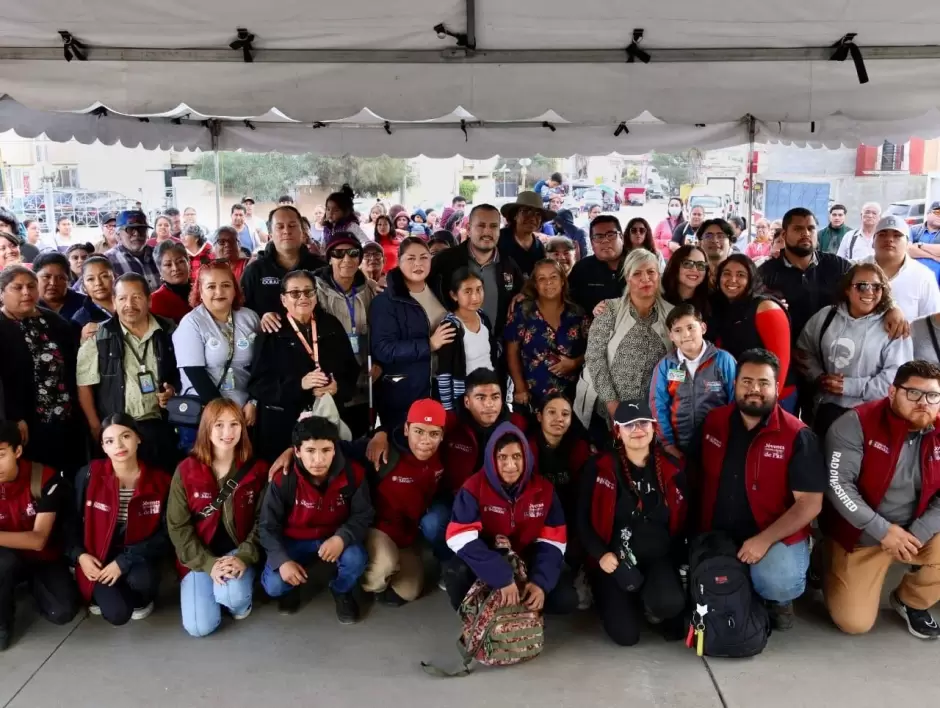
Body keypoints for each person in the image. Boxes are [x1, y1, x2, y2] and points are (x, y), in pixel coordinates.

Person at [695, 348, 826, 630]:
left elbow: (810, 504)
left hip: (773, 535)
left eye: (764, 383)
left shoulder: (797, 435)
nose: (754, 389)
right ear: (735, 384)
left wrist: (764, 540)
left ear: (777, 388)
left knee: (777, 581)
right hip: (719, 531)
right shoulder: (714, 422)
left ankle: (777, 599)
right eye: (747, 381)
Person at [822, 360, 940, 639]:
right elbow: (839, 485)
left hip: (915, 531)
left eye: (933, 396)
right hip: (862, 534)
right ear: (891, 392)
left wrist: (918, 533)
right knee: (854, 623)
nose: (923, 402)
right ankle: (825, 557)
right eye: (913, 393)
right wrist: (883, 530)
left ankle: (910, 600)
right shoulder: (855, 424)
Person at [577, 400, 687, 646]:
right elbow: (581, 519)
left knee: (672, 614)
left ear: (653, 428)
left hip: (658, 556)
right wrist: (601, 555)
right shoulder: (599, 467)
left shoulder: (672, 467)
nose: (637, 429)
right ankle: (609, 591)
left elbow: (684, 520)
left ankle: (648, 597)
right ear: (618, 431)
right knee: (626, 636)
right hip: (614, 559)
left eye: (643, 423)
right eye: (629, 425)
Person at [443, 421, 577, 614]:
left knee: (566, 599)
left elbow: (553, 541)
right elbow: (459, 536)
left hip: (527, 559)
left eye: (517, 456)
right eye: (502, 457)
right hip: (489, 559)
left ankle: (524, 612)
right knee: (456, 572)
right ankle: (475, 617)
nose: (511, 465)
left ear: (527, 458)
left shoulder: (544, 490)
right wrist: (501, 576)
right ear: (491, 459)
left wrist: (539, 582)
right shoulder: (473, 488)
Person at [167, 399, 268, 637]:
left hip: (238, 552)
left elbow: (264, 521)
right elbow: (178, 526)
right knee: (199, 628)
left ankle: (239, 599)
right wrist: (208, 564)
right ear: (206, 428)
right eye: (219, 425)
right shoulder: (186, 470)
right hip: (201, 556)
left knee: (232, 596)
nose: (227, 432)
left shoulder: (257, 469)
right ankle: (215, 590)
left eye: (235, 424)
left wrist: (244, 556)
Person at [259, 416, 372, 621]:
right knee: (274, 585)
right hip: (294, 540)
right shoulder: (283, 479)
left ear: (335, 449)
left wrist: (342, 538)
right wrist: (282, 560)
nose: (318, 460)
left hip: (334, 536)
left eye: (326, 450)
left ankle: (341, 589)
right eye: (310, 451)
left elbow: (363, 514)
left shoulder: (353, 474)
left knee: (356, 559)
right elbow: (267, 526)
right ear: (297, 451)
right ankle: (290, 587)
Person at [69, 414, 170, 625]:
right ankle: (102, 591)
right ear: (104, 447)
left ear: (138, 438)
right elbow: (70, 521)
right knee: (118, 615)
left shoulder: (161, 481)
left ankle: (137, 595)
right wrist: (80, 556)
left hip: (137, 553)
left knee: (143, 581)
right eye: (110, 441)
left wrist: (124, 561)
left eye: (126, 436)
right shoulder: (89, 474)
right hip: (97, 555)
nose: (119, 445)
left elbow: (166, 533)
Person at [247, 270, 357, 462]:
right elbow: (258, 385)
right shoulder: (272, 331)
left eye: (308, 292)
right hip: (282, 428)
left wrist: (337, 387)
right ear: (283, 299)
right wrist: (300, 385)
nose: (303, 297)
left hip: (325, 422)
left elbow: (351, 371)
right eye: (295, 293)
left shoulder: (331, 325)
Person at [76, 273, 181, 472]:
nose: (129, 304)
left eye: (136, 297)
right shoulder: (98, 337)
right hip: (118, 429)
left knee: (161, 484)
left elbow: (181, 373)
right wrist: (96, 427)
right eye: (122, 298)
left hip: (160, 426)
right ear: (114, 302)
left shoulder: (169, 331)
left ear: (149, 300)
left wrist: (172, 391)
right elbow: (84, 385)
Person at [796, 262, 912, 438]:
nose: (869, 292)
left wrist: (850, 386)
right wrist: (819, 377)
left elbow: (897, 377)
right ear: (847, 289)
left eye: (877, 287)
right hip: (826, 410)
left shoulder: (893, 326)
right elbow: (803, 351)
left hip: (872, 413)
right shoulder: (826, 316)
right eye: (861, 286)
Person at [360, 399, 449, 605]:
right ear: (407, 429)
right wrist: (292, 453)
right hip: (378, 528)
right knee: (383, 569)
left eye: (434, 434)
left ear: (442, 435)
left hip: (407, 535)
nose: (425, 440)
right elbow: (335, 450)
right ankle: (358, 581)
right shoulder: (384, 450)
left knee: (408, 591)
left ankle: (391, 566)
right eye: (419, 431)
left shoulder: (441, 457)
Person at [0, 420, 79, 651]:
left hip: (43, 557)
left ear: (18, 451)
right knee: (3, 563)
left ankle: (30, 587)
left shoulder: (44, 478)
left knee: (62, 612)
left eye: (1, 454)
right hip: (6, 557)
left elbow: (38, 540)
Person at [0, 267, 82, 474]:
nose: (26, 292)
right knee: (36, 478)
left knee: (68, 475)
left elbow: (74, 364)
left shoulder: (55, 322)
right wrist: (14, 419)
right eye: (17, 288)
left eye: (31, 286)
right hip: (25, 422)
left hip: (65, 416)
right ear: (2, 293)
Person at [173, 261, 261, 448]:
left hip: (245, 413)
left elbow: (262, 365)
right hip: (206, 413)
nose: (219, 292)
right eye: (211, 286)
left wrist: (253, 401)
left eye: (226, 285)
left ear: (235, 289)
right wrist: (226, 414)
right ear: (200, 290)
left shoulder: (250, 318)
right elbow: (195, 373)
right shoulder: (191, 323)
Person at [583, 249, 673, 431]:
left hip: (656, 413)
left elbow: (680, 363)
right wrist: (612, 404)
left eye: (651, 272)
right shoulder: (609, 310)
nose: (645, 279)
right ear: (627, 278)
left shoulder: (673, 315)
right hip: (609, 411)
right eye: (637, 273)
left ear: (659, 276)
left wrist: (668, 403)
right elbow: (594, 358)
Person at [370, 237, 454, 432]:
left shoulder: (441, 290)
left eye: (424, 257)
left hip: (442, 384)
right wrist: (429, 344)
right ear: (398, 262)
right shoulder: (385, 301)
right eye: (411, 258)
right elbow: (383, 349)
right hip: (405, 389)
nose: (418, 263)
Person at [313, 233, 380, 438]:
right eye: (338, 253)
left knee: (362, 436)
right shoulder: (314, 288)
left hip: (365, 375)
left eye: (352, 253)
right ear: (329, 258)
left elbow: (379, 330)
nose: (346, 259)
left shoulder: (370, 288)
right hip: (332, 380)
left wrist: (379, 361)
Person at [429, 204, 523, 349]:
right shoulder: (445, 261)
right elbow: (416, 283)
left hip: (493, 353)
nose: (487, 231)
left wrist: (526, 293)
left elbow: (522, 294)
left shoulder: (509, 264)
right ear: (468, 228)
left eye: (493, 226)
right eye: (481, 225)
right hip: (454, 351)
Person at [650, 304, 736, 457]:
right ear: (671, 336)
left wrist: (730, 441)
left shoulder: (724, 361)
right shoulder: (665, 366)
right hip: (678, 446)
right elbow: (658, 406)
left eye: (691, 327)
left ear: (703, 328)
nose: (686, 335)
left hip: (718, 444)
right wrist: (668, 445)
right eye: (678, 330)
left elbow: (735, 401)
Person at [506, 259, 589, 406]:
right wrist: (520, 387)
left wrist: (574, 363)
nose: (548, 282)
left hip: (572, 396)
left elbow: (593, 350)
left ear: (563, 281)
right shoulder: (523, 312)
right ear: (536, 285)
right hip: (532, 397)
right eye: (542, 279)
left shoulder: (578, 314)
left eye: (553, 277)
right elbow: (512, 351)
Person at [709, 256, 792, 403]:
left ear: (751, 279)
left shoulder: (766, 308)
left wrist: (770, 402)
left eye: (741, 275)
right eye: (726, 273)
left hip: (772, 397)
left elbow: (780, 362)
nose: (732, 279)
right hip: (739, 395)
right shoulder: (721, 307)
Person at [242, 206, 326, 325]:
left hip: (315, 339)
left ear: (302, 231)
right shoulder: (255, 271)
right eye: (280, 227)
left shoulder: (321, 268)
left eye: (292, 226)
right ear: (270, 234)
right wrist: (261, 317)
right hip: (270, 340)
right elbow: (241, 311)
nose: (286, 231)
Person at [436, 268, 497, 411]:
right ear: (454, 295)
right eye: (467, 291)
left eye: (479, 290)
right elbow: (444, 373)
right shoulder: (450, 326)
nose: (475, 297)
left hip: (490, 393)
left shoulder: (483, 318)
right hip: (465, 399)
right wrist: (449, 410)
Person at [863, 214, 940, 321]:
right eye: (882, 234)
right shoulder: (857, 269)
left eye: (897, 235)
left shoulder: (923, 276)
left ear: (907, 243)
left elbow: (932, 323)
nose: (889, 239)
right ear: (873, 242)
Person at [568, 215, 627, 315]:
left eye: (610, 235)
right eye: (599, 237)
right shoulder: (582, 269)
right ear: (592, 243)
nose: (605, 240)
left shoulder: (638, 265)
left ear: (621, 237)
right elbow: (569, 302)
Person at [105, 211, 162, 293]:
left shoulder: (159, 254)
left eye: (141, 229)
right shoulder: (107, 260)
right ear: (118, 234)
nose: (137, 233)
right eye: (130, 229)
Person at [497, 192, 550, 277]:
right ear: (515, 215)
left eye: (538, 214)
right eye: (526, 211)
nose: (532, 218)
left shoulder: (539, 247)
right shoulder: (498, 238)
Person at [34, 251, 87, 319]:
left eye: (60, 278)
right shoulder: (27, 305)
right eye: (46, 277)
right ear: (34, 278)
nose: (53, 283)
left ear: (68, 280)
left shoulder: (85, 304)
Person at [150, 240, 193, 324]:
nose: (175, 268)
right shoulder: (155, 301)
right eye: (168, 265)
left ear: (188, 263)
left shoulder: (202, 291)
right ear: (160, 270)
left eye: (180, 261)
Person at [661, 244, 710, 315]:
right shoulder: (657, 299)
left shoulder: (711, 303)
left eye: (700, 265)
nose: (694, 269)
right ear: (675, 266)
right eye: (687, 263)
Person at [72, 256, 116, 332]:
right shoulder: (79, 320)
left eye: (104, 276)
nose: (98, 283)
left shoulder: (131, 303)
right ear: (83, 285)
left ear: (115, 278)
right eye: (90, 279)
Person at [908, 200, 940, 282]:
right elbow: (908, 250)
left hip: (937, 281)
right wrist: (933, 256)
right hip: (914, 278)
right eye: (937, 212)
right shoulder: (914, 230)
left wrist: (920, 245)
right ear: (928, 213)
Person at [698, 219, 734, 288]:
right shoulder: (693, 273)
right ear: (699, 243)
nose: (714, 240)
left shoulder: (738, 273)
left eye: (720, 236)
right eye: (708, 236)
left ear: (730, 243)